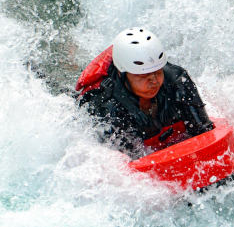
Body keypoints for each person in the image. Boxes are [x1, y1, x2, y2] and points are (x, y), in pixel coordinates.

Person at [76, 28, 215, 159]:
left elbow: (204, 131)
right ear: (122, 74)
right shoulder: (107, 106)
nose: (154, 81)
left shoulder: (178, 80)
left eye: (158, 72)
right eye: (143, 75)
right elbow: (129, 165)